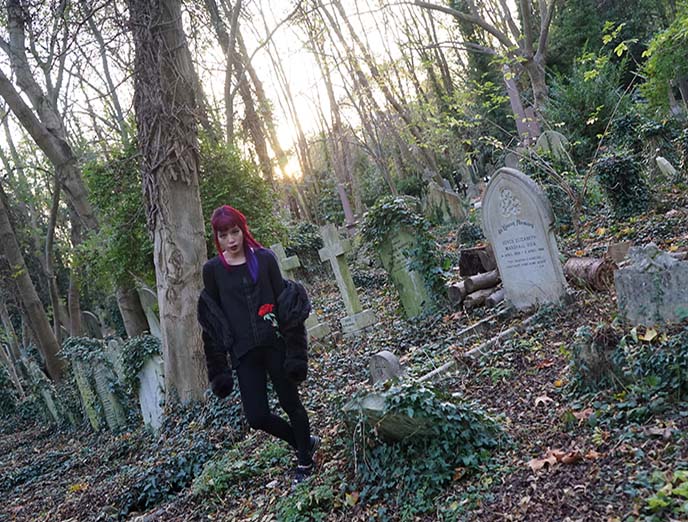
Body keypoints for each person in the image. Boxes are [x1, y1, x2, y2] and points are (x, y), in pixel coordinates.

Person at [197, 205, 318, 487]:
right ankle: (304, 442)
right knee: (257, 416)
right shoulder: (212, 271)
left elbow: (287, 306)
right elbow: (213, 321)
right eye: (224, 234)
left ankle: (304, 459)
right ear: (218, 237)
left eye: (235, 231)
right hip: (243, 353)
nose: (231, 239)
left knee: (291, 403)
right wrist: (219, 370)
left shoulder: (264, 260)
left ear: (243, 229)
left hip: (275, 345)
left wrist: (296, 353)